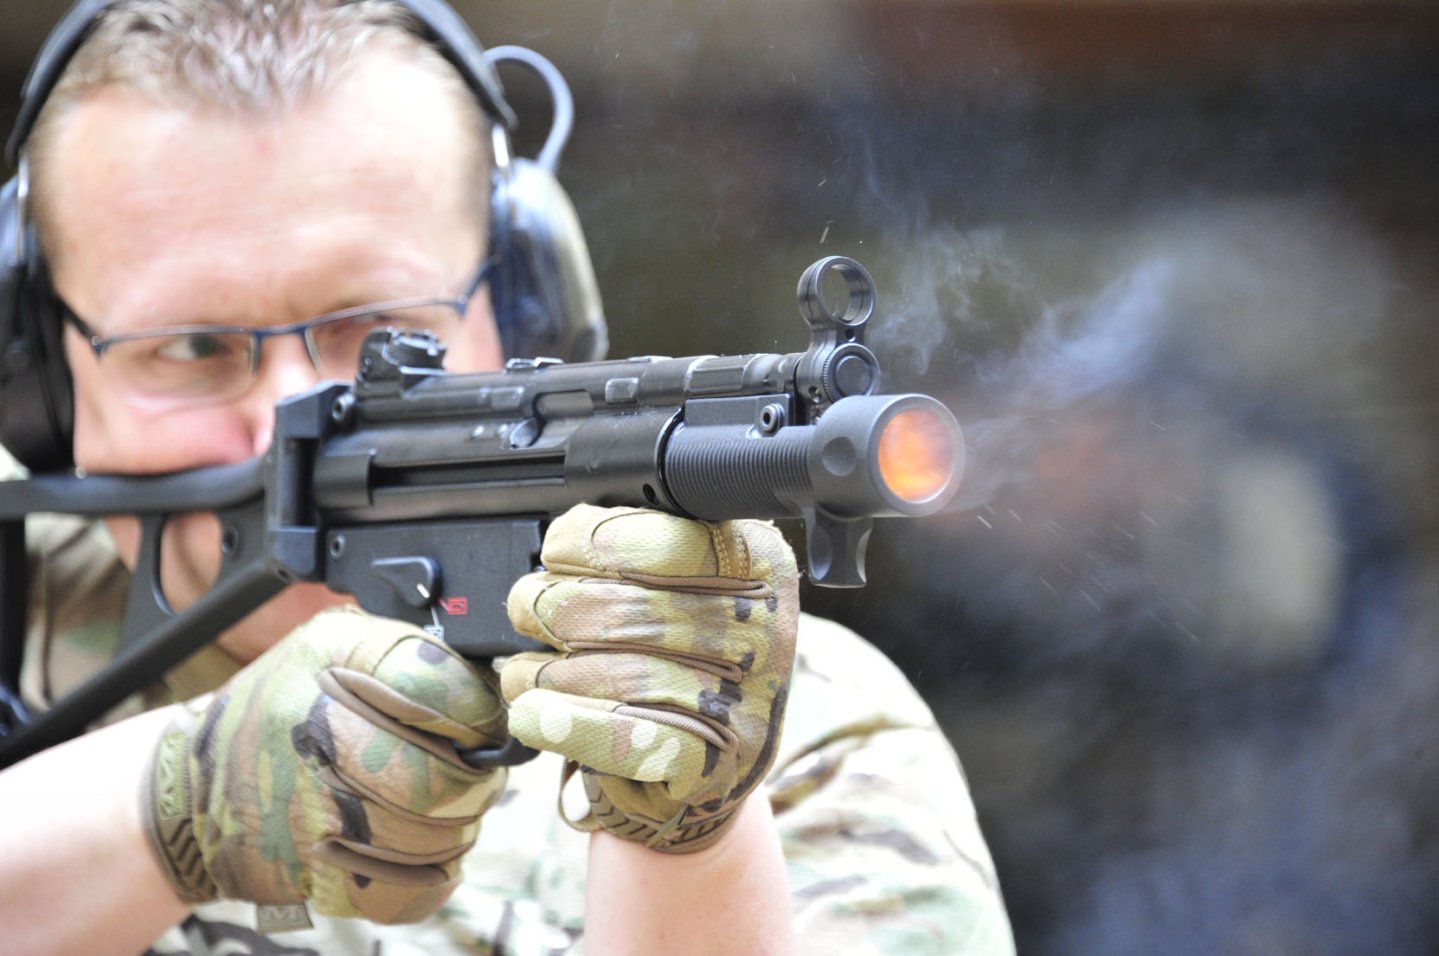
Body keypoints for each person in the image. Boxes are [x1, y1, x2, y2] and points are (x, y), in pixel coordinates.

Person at [0, 2, 1016, 953]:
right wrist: (172, 807)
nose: (289, 417)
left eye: (381, 330)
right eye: (190, 348)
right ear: (40, 376)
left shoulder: (809, 730)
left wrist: (689, 835)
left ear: (524, 311)